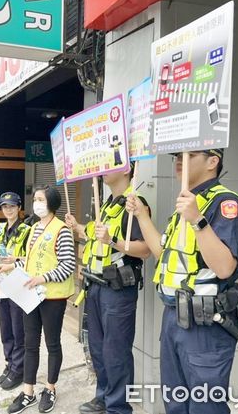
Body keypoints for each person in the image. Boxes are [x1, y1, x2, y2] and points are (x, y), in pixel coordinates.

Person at [126, 149, 238, 414]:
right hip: (174, 317)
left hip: (204, 322)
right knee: (176, 402)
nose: (180, 161)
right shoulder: (187, 204)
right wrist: (141, 215)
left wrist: (197, 219)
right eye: (177, 156)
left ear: (213, 161)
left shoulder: (224, 203)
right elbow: (163, 255)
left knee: (205, 405)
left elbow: (225, 267)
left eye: (190, 154)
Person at [65, 163, 151, 414]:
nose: (102, 170)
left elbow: (145, 250)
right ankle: (103, 397)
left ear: (127, 170)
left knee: (116, 351)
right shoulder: (108, 204)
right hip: (96, 286)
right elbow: (96, 236)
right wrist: (78, 226)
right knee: (99, 348)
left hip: (117, 289)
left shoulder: (134, 204)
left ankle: (118, 407)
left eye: (110, 165)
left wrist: (113, 240)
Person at [0, 185, 76, 414]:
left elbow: (68, 265)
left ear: (51, 203)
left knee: (52, 344)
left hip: (53, 297)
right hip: (31, 295)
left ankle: (50, 388)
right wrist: (11, 266)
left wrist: (43, 278)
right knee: (30, 344)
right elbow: (29, 261)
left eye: (40, 199)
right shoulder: (33, 229)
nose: (36, 204)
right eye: (35, 200)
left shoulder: (61, 230)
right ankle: (28, 392)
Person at [0, 192, 31, 390]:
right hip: (1, 286)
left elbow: (30, 260)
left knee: (18, 331)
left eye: (12, 206)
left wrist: (13, 264)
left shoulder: (26, 230)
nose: (8, 209)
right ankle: (10, 363)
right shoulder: (0, 229)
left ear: (19, 208)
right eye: (5, 206)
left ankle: (18, 369)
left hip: (18, 286)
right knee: (5, 329)